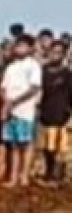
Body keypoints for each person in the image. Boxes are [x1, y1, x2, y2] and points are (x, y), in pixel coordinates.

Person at [0, 33, 42, 187]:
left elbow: (34, 87)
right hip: (11, 110)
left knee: (26, 143)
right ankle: (13, 177)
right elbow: (3, 88)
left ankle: (24, 176)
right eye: (18, 45)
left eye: (23, 45)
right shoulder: (10, 67)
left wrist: (15, 101)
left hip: (25, 110)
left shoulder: (33, 65)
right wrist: (7, 102)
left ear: (30, 48)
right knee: (13, 144)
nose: (19, 48)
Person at [38, 40, 72, 185]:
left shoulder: (67, 74)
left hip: (62, 113)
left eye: (59, 52)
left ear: (63, 55)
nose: (55, 55)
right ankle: (48, 172)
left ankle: (59, 176)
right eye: (53, 52)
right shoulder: (43, 71)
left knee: (61, 148)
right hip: (46, 113)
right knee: (47, 147)